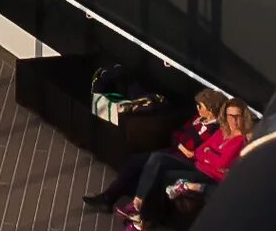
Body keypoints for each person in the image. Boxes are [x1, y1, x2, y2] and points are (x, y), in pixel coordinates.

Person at [84, 89, 223, 215]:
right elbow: (177, 134)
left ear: (210, 109)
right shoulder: (197, 119)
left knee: (152, 167)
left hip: (183, 162)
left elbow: (194, 151)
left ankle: (136, 208)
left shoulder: (214, 130)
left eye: (201, 106)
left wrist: (182, 145)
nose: (197, 108)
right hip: (174, 151)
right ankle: (108, 198)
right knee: (135, 161)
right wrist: (180, 145)